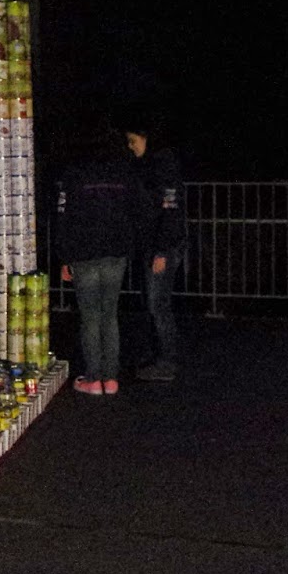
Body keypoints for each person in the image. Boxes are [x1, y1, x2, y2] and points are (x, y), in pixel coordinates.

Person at [55, 129, 140, 395]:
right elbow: (135, 209)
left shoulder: (73, 174)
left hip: (84, 253)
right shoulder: (122, 173)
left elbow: (63, 218)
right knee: (109, 315)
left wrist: (65, 257)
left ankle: (93, 379)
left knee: (90, 317)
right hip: (116, 252)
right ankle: (111, 378)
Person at [126, 124, 186, 380]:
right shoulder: (151, 166)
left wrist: (161, 251)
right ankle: (158, 355)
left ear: (146, 137)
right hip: (153, 245)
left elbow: (170, 211)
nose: (131, 147)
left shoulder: (163, 167)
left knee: (158, 304)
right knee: (153, 303)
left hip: (162, 247)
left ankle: (167, 362)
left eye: (133, 140)